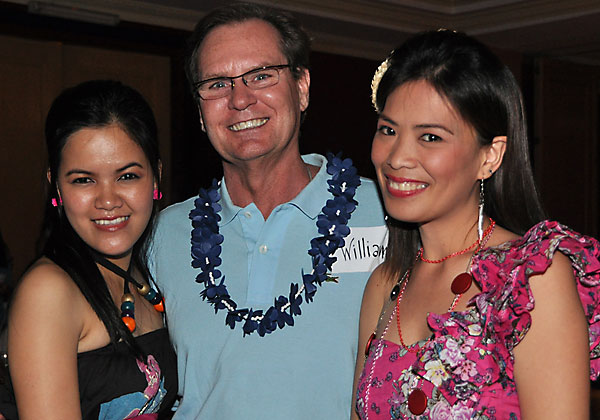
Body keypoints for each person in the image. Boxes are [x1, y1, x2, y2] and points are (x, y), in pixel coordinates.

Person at [150, 2, 387, 419]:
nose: (240, 99)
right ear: (200, 112)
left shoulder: (388, 216)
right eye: (217, 84)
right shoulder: (162, 235)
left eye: (261, 75)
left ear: (302, 87)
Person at [353, 30, 600, 419]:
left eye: (430, 137)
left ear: (490, 156)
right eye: (388, 130)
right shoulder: (386, 283)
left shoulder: (531, 278)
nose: (397, 157)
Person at [6, 80, 177, 419]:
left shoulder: (152, 272)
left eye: (127, 176)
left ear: (156, 177)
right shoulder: (49, 291)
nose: (108, 201)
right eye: (83, 180)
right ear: (56, 186)